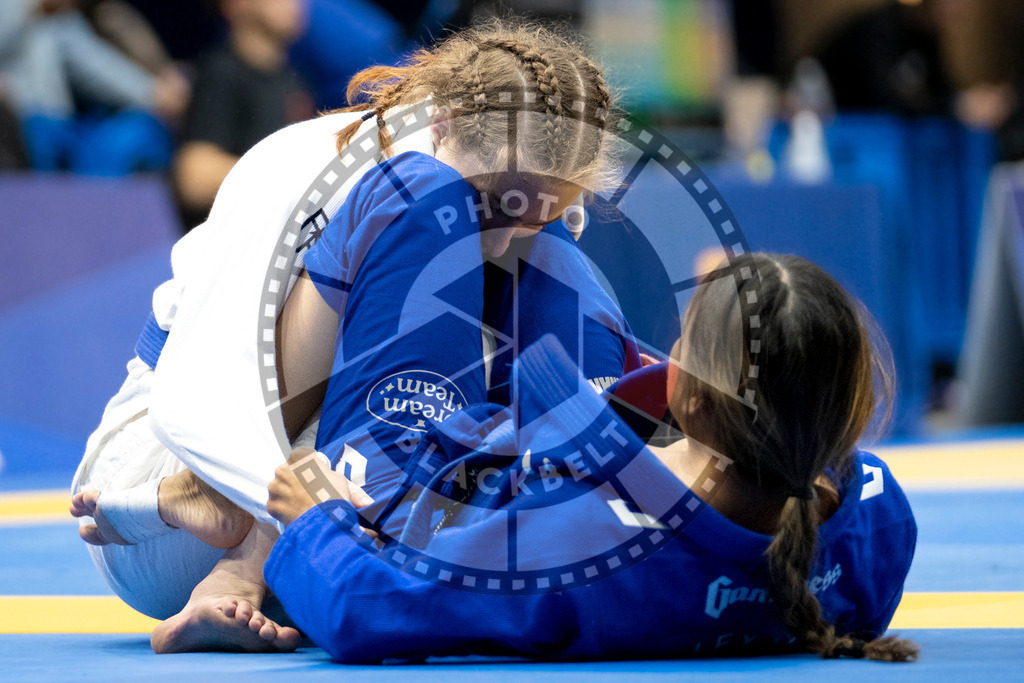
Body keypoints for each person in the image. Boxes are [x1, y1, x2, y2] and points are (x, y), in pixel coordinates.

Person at [70, 19, 633, 653]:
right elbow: (194, 408)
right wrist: (242, 502)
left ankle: (584, 509)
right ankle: (244, 554)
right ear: (443, 122)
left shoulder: (534, 195)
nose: (501, 238)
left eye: (536, 212)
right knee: (417, 199)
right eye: (489, 203)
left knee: (552, 264)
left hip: (339, 535)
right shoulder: (300, 165)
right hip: (172, 496)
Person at [265, 253, 919, 663]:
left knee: (443, 209)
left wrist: (316, 521)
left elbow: (364, 606)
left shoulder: (577, 546)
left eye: (684, 342)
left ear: (692, 399)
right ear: (845, 411)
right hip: (580, 446)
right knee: (539, 246)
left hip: (413, 486)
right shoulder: (874, 521)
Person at [0, 0, 187, 174]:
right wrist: (34, 7)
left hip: (59, 125)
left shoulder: (81, 16)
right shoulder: (23, 9)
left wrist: (153, 91)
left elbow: (92, 61)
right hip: (19, 125)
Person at [173, 0, 314, 231]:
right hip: (229, 240)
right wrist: (288, 181)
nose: (295, 4)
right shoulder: (221, 72)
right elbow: (195, 177)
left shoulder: (294, 80)